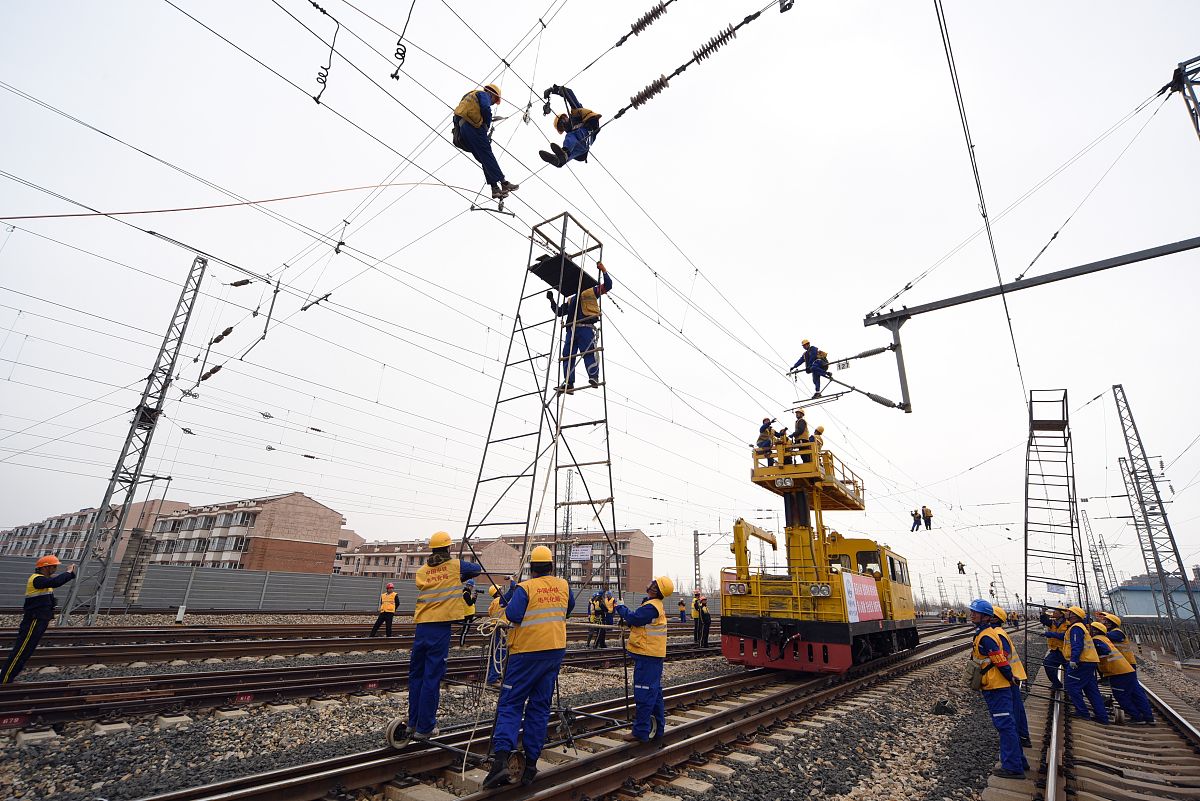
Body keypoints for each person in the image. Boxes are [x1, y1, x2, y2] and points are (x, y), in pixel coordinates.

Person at [483, 545, 575, 789]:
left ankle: (501, 760)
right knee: (539, 706)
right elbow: (568, 608)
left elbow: (513, 615)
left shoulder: (525, 588)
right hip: (554, 650)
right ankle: (531, 764)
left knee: (511, 703)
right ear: (551, 566)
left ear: (531, 568)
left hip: (526, 653)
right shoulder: (564, 585)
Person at [405, 531, 482, 739]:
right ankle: (426, 727)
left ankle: (413, 723)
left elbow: (429, 582)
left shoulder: (422, 571)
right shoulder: (455, 566)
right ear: (449, 548)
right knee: (432, 676)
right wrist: (460, 575)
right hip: (440, 628)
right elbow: (476, 569)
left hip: (422, 626)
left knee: (416, 676)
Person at [967, 598, 1026, 778]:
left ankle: (1013, 768)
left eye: (975, 612)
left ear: (986, 617)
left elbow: (1000, 660)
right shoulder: (985, 633)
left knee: (1005, 725)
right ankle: (1020, 761)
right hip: (995, 685)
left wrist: (1010, 677)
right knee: (1008, 724)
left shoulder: (987, 637)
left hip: (996, 686)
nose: (972, 614)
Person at [2, 555, 76, 684]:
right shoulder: (36, 579)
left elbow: (54, 580)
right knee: (22, 650)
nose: (55, 569)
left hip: (40, 620)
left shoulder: (43, 580)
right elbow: (55, 582)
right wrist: (69, 573)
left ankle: (9, 678)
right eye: (54, 566)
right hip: (33, 620)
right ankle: (4, 679)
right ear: (45, 567)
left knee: (27, 650)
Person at [616, 576, 673, 742]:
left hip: (648, 656)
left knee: (644, 694)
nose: (650, 585)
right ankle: (658, 730)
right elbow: (640, 623)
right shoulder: (654, 606)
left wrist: (620, 608)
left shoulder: (651, 607)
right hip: (652, 656)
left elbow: (635, 618)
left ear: (656, 590)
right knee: (654, 695)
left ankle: (640, 731)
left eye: (653, 584)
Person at [547, 263, 613, 394]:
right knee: (567, 356)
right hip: (571, 330)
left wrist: (604, 270)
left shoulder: (591, 291)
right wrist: (552, 301)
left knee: (588, 351)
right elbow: (559, 312)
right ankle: (569, 383)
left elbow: (608, 285)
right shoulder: (571, 300)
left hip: (585, 327)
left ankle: (593, 376)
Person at [452, 84, 519, 200]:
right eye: (494, 100)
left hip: (463, 130)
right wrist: (486, 125)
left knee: (484, 158)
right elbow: (485, 108)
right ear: (492, 94)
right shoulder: (484, 94)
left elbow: (456, 117)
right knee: (488, 154)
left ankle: (494, 188)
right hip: (473, 127)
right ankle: (504, 182)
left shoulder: (470, 96)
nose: (492, 103)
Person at [1089, 621, 1154, 724]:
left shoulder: (1099, 639)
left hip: (1117, 672)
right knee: (1136, 693)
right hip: (1125, 669)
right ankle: (1148, 717)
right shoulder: (1104, 638)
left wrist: (1095, 657)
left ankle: (1137, 717)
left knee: (1120, 696)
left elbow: (1105, 651)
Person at [991, 606, 1033, 748]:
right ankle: (1022, 736)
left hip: (1010, 677)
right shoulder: (998, 632)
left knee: (1013, 710)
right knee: (1017, 708)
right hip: (1012, 675)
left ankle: (1019, 739)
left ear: (995, 618)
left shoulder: (997, 633)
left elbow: (1005, 655)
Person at [1063, 605, 1109, 723]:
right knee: (1091, 690)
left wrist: (1074, 660)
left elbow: (1077, 645)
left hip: (1082, 662)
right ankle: (1102, 716)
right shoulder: (1079, 627)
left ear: (1074, 615)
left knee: (1072, 686)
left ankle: (1082, 712)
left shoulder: (1076, 628)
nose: (1066, 613)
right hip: (1089, 662)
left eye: (1068, 612)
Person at [539, 84, 602, 167]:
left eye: (562, 120)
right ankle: (559, 160)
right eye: (561, 126)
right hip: (582, 149)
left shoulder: (576, 115)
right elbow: (572, 139)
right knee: (570, 150)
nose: (563, 124)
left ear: (566, 116)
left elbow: (569, 93)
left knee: (571, 136)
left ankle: (564, 153)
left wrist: (553, 90)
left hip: (589, 128)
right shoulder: (571, 137)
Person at [1037, 606, 1068, 690]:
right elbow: (1044, 620)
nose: (1054, 613)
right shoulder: (1053, 622)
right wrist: (1043, 612)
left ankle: (1068, 690)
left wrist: (1049, 634)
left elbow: (1064, 636)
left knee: (1069, 671)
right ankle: (1056, 683)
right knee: (1047, 663)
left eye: (1056, 612)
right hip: (1056, 650)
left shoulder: (1068, 624)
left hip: (1067, 651)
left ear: (1062, 614)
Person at [485, 584, 508, 686]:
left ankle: (493, 676)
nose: (502, 590)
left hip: (495, 629)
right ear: (497, 592)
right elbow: (509, 596)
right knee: (500, 654)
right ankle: (493, 678)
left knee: (494, 654)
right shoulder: (499, 601)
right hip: (500, 629)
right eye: (500, 589)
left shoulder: (493, 603)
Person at [459, 578, 479, 647]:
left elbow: (472, 603)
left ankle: (462, 644)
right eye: (472, 586)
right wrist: (473, 597)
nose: (472, 588)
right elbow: (470, 603)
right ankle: (462, 645)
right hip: (467, 614)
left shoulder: (467, 593)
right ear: (469, 586)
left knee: (466, 629)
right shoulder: (466, 594)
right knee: (465, 630)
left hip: (469, 614)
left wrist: (474, 597)